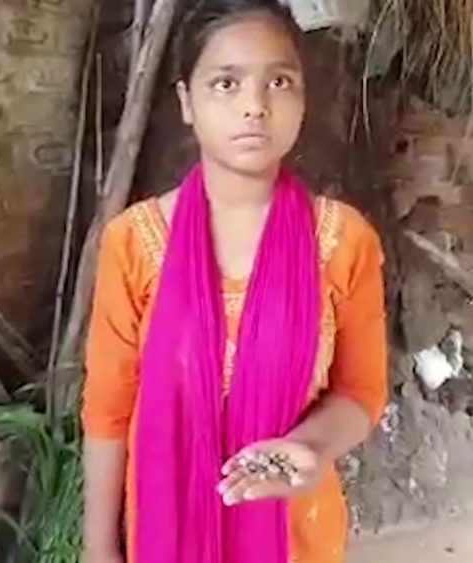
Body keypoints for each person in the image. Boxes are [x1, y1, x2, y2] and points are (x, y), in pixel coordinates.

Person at [80, 1, 389, 562]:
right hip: (165, 534)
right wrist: (99, 551)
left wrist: (309, 447)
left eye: (279, 81)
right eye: (226, 83)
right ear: (186, 102)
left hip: (297, 538)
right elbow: (108, 411)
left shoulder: (346, 242)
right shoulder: (133, 243)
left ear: (303, 97)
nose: (255, 106)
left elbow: (361, 392)